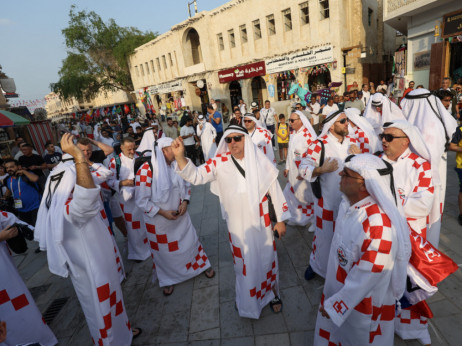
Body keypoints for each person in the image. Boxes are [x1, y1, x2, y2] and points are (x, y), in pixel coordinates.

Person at [173, 124, 290, 319]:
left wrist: (280, 220)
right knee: (243, 265)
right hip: (237, 227)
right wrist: (179, 157)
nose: (233, 143)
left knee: (267, 260)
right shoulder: (219, 162)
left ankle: (272, 294)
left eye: (238, 138)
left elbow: (274, 190)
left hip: (262, 224)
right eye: (229, 139)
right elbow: (196, 175)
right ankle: (247, 301)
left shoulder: (260, 161)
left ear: (246, 139)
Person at [35, 133, 141, 344]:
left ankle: (123, 333)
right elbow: (82, 205)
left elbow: (101, 175)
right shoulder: (69, 177)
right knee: (102, 305)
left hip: (92, 249)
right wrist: (79, 159)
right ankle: (112, 341)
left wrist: (80, 160)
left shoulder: (60, 174)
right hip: (88, 256)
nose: (85, 156)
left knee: (109, 300)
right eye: (81, 154)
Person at [314, 154, 410, 345]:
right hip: (337, 290)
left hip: (359, 304)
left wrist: (336, 305)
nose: (340, 173)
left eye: (347, 173)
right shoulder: (347, 205)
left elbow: (367, 275)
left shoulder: (379, 226)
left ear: (364, 184)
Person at [377, 120, 435, 345]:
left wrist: (389, 203)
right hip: (383, 233)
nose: (384, 140)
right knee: (384, 282)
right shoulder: (376, 162)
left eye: (390, 137)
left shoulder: (421, 165)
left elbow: (423, 203)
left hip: (412, 235)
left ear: (406, 141)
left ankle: (414, 330)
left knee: (412, 285)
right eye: (383, 136)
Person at [134, 137, 215, 296]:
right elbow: (141, 201)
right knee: (165, 253)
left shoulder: (178, 163)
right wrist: (163, 212)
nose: (178, 149)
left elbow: (186, 184)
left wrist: (185, 201)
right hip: (159, 223)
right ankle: (167, 279)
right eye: (173, 147)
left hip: (180, 217)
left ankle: (200, 266)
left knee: (190, 242)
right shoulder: (146, 169)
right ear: (163, 150)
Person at [299, 111, 360, 280]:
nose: (347, 123)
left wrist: (360, 155)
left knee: (345, 239)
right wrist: (320, 170)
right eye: (342, 121)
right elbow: (303, 167)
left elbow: (365, 167)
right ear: (332, 125)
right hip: (326, 203)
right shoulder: (320, 144)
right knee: (324, 238)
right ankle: (318, 266)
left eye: (347, 120)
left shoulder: (353, 142)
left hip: (349, 204)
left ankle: (342, 271)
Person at [400, 88, 458, 247]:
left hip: (426, 177)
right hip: (423, 175)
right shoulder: (433, 122)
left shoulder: (430, 127)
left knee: (426, 215)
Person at [0, 211, 58, 346]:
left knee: (19, 304)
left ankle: (37, 338)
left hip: (6, 274)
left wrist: (26, 229)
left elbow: (7, 218)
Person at [107, 137, 150, 262]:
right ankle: (138, 253)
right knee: (133, 226)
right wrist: (123, 182)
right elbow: (109, 181)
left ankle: (150, 247)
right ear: (121, 148)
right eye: (128, 149)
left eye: (133, 148)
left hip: (143, 195)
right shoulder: (115, 162)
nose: (132, 151)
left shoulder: (141, 156)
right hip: (128, 201)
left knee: (146, 222)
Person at [283, 111, 317, 228]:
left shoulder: (309, 136)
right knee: (292, 194)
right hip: (293, 172)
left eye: (292, 120)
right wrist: (287, 168)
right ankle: (299, 218)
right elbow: (290, 153)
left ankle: (313, 219)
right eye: (289, 120)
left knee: (306, 197)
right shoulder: (292, 133)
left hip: (303, 173)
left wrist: (304, 173)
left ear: (300, 120)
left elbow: (313, 157)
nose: (290, 123)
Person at [3, 159, 41, 227]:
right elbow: (9, 191)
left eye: (11, 167)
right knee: (30, 230)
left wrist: (24, 171)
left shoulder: (26, 174)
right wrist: (5, 197)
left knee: (40, 228)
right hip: (21, 210)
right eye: (7, 168)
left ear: (18, 166)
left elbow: (35, 178)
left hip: (36, 207)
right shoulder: (7, 180)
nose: (9, 169)